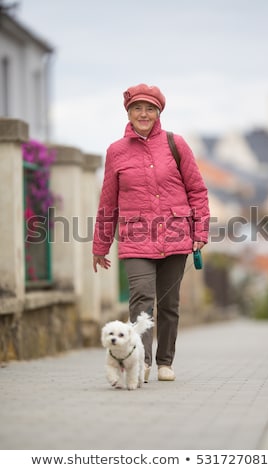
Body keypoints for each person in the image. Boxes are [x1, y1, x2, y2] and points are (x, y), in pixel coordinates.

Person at [93, 83, 210, 382]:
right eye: (137, 108)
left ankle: (165, 362)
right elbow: (108, 202)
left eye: (150, 109)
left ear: (158, 113)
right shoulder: (116, 152)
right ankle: (141, 361)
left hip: (176, 234)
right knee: (141, 300)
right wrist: (100, 245)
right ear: (129, 113)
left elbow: (197, 190)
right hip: (135, 238)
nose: (143, 114)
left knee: (169, 303)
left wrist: (200, 230)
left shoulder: (176, 143)